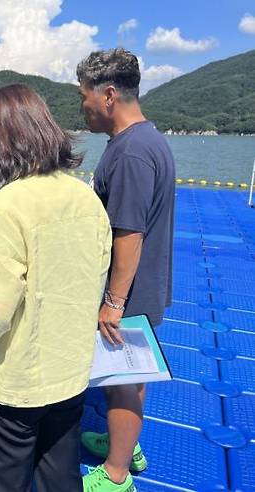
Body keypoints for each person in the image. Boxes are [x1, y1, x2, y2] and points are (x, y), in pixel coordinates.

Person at [0, 84, 112, 492]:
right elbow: (94, 274)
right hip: (71, 373)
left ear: (0, 145)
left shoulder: (8, 204)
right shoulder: (86, 197)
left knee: (4, 482)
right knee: (60, 476)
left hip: (17, 385)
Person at [76, 48, 175, 491]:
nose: (83, 106)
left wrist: (113, 303)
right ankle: (125, 445)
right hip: (143, 287)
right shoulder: (143, 141)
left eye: (85, 96)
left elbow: (129, 235)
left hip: (128, 293)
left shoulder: (132, 152)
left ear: (109, 94)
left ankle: (116, 475)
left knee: (120, 382)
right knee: (132, 378)